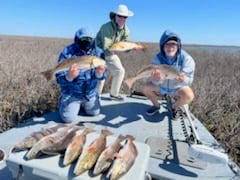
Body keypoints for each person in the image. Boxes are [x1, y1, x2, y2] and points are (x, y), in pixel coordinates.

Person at [56, 27, 107, 123]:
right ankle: (64, 101)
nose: (86, 41)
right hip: (72, 93)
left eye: (89, 39)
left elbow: (104, 74)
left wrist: (99, 73)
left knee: (95, 113)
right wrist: (69, 77)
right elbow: (59, 78)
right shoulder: (67, 51)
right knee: (67, 119)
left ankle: (83, 104)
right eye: (83, 39)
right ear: (77, 38)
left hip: (90, 93)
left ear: (93, 39)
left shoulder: (99, 53)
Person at [143, 30, 195, 116]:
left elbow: (189, 80)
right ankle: (156, 106)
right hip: (161, 87)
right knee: (146, 88)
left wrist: (183, 79)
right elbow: (153, 79)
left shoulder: (187, 59)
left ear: (178, 46)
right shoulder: (157, 58)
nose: (170, 47)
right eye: (167, 44)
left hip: (177, 88)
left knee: (189, 95)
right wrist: (156, 79)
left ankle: (174, 107)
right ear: (162, 46)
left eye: (173, 44)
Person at [96, 4, 134, 101]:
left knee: (120, 71)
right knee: (101, 74)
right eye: (119, 16)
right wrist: (121, 47)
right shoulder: (106, 27)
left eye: (124, 17)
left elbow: (125, 46)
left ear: (127, 18)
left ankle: (114, 94)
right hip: (98, 52)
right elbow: (106, 46)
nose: (122, 18)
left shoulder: (127, 30)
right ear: (115, 16)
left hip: (111, 53)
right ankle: (96, 97)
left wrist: (131, 47)